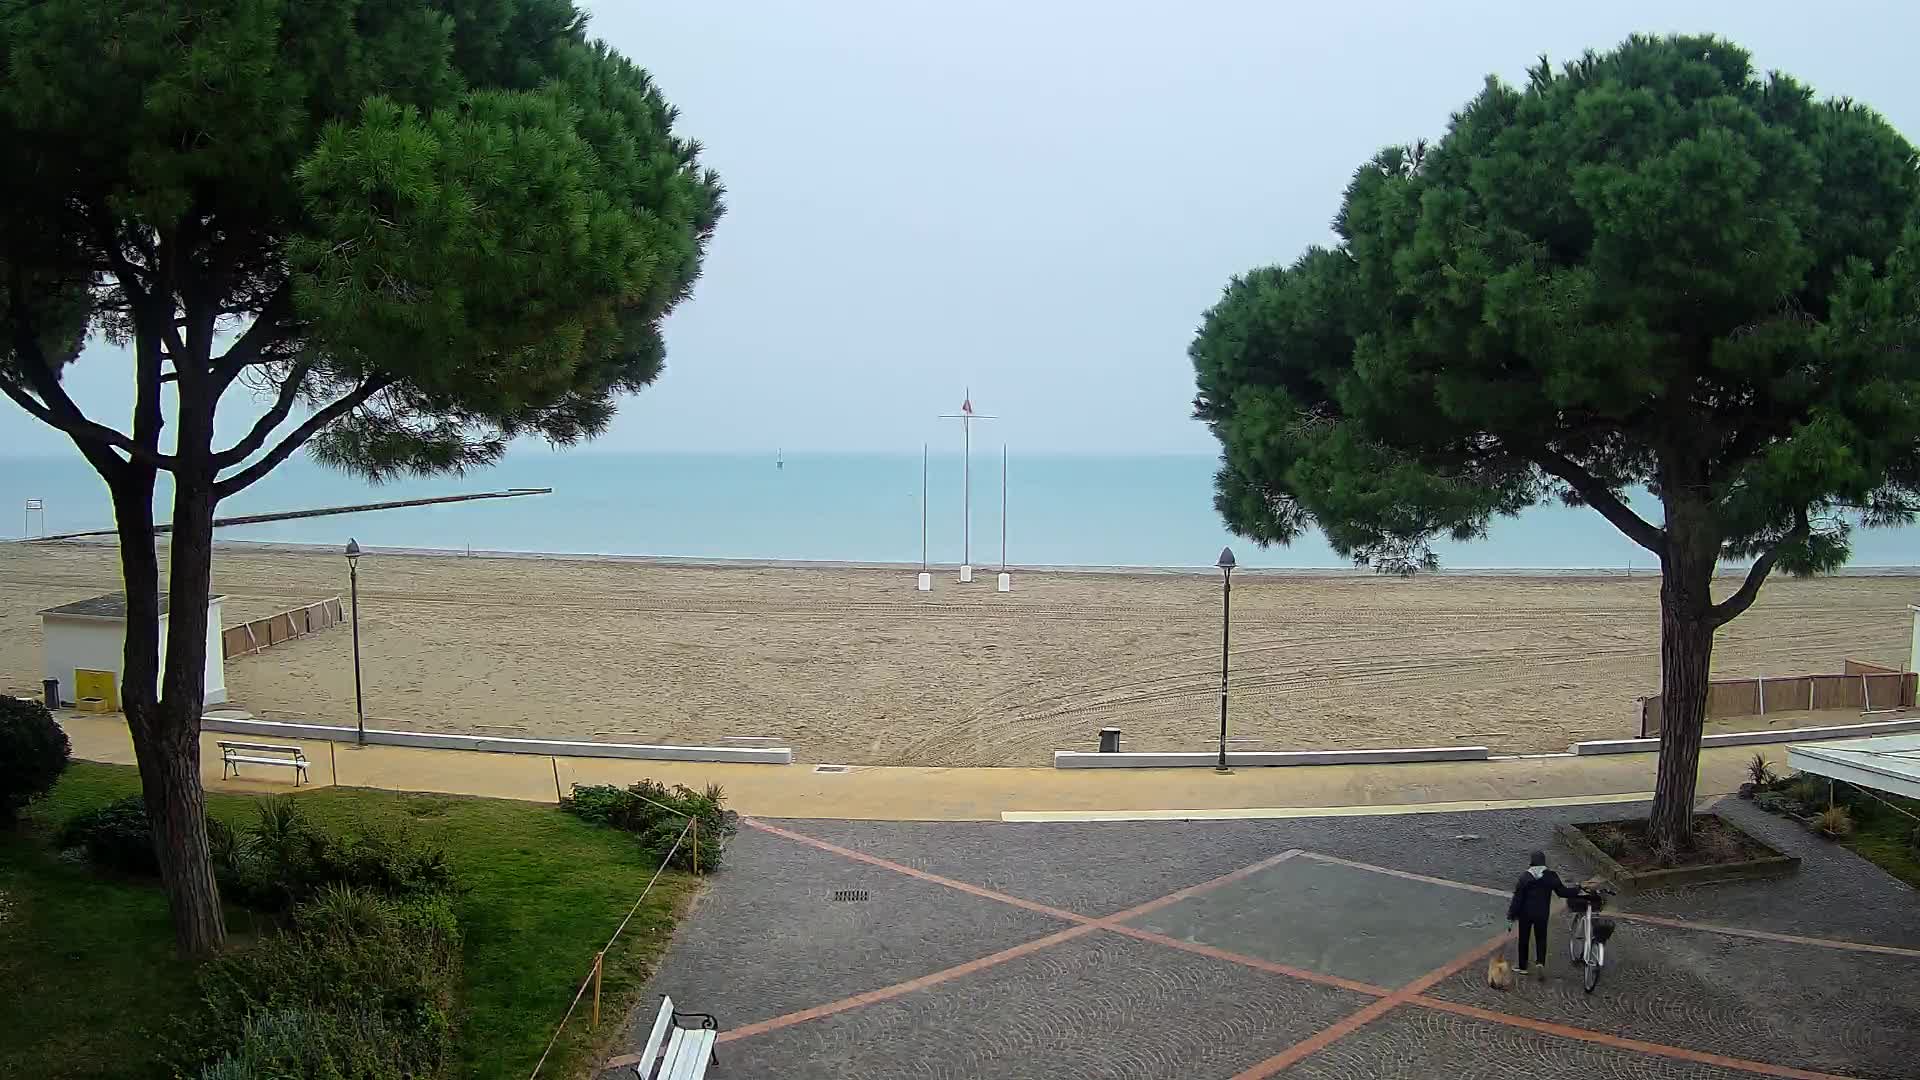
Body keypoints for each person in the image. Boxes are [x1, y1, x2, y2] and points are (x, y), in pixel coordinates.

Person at [1506, 849, 1578, 976]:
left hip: (1525, 914)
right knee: (1541, 938)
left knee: (1524, 939)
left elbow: (1518, 898)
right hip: (1542, 913)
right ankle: (1540, 962)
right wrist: (1577, 890)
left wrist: (1512, 915)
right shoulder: (1551, 876)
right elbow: (1562, 892)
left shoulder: (1525, 877)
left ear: (1531, 862)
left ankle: (1522, 967)